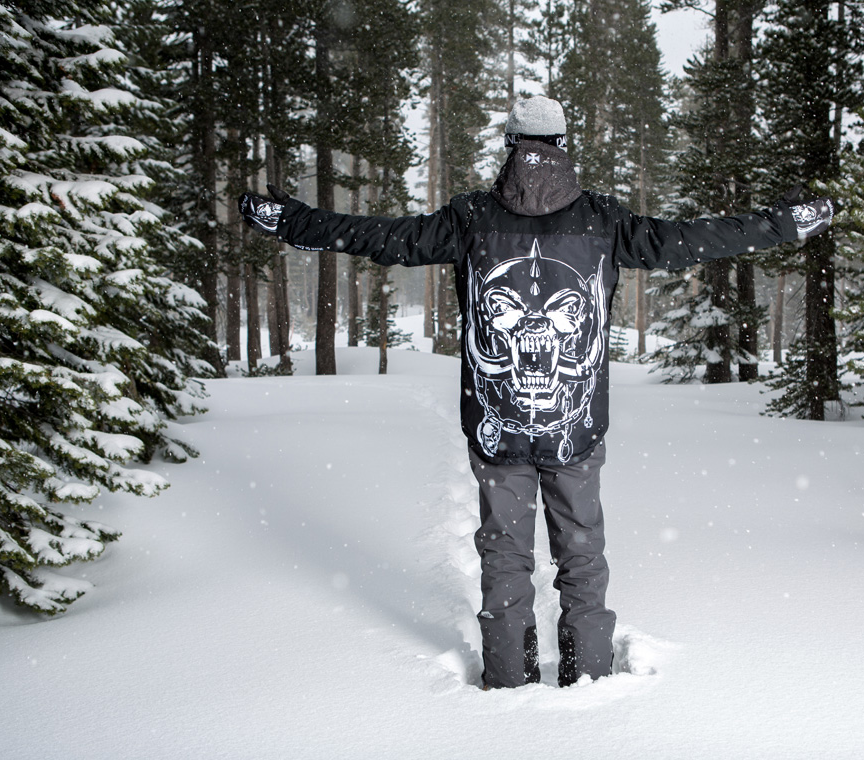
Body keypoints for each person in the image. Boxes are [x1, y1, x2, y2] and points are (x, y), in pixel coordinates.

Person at [239, 96, 833, 690]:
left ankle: (509, 684)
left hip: (497, 424)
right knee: (582, 555)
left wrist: (290, 220)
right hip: (575, 428)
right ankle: (590, 681)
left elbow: (377, 237)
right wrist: (785, 223)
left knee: (505, 556)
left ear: (511, 144)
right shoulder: (603, 220)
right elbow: (695, 238)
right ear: (561, 144)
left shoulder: (471, 218)